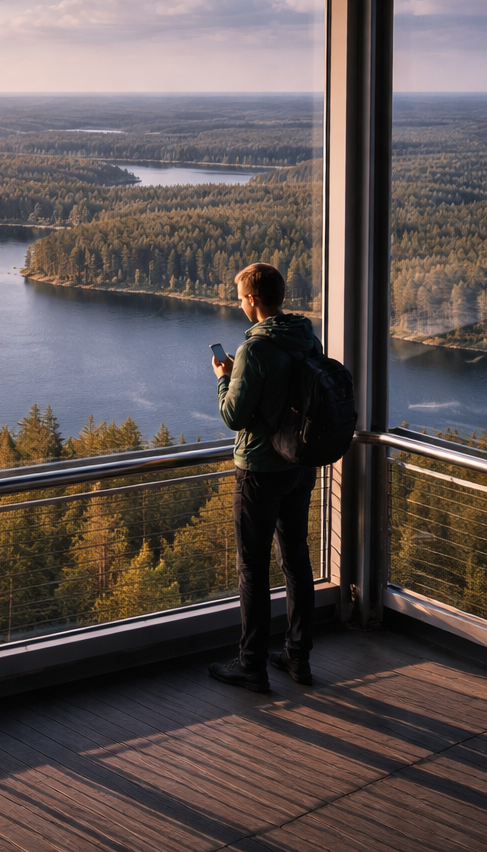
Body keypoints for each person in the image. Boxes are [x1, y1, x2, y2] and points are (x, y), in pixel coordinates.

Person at [208, 262, 318, 693]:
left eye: (240, 297)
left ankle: (251, 663)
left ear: (253, 299)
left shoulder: (255, 349)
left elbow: (234, 415)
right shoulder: (306, 336)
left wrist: (224, 379)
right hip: (300, 463)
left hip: (259, 469)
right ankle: (297, 656)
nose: (238, 304)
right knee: (296, 560)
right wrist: (244, 374)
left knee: (252, 569)